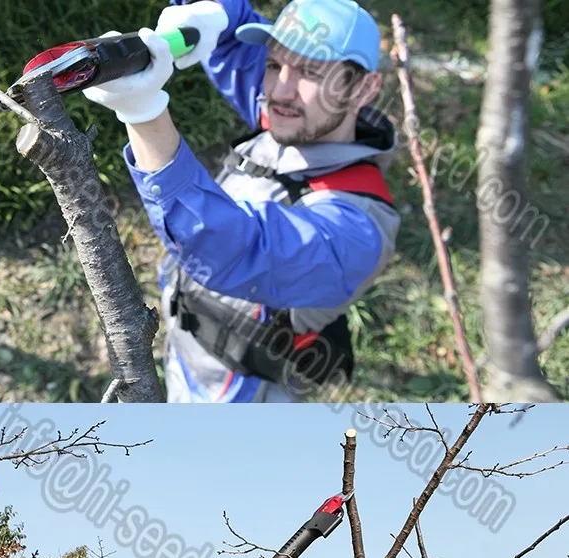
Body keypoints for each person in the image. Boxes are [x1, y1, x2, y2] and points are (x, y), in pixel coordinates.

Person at [82, 0, 401, 403]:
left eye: (311, 71)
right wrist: (217, 13)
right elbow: (233, 34)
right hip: (187, 351)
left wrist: (144, 113)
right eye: (273, 64)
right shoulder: (300, 114)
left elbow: (230, 247)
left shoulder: (357, 233)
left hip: (236, 397)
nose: (279, 90)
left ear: (364, 89)